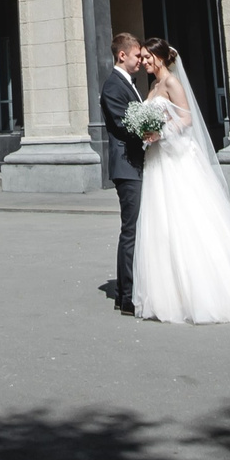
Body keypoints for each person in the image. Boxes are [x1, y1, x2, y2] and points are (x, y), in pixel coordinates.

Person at [130, 37, 230, 325]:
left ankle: (206, 292)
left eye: (148, 57)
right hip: (158, 160)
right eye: (142, 57)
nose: (144, 62)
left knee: (187, 220)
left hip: (175, 158)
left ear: (161, 58)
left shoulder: (171, 84)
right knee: (161, 224)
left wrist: (161, 133)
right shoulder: (153, 86)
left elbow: (187, 119)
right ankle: (169, 295)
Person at [100, 32, 151, 314]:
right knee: (130, 230)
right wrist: (151, 132)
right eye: (136, 56)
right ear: (123, 55)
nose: (139, 61)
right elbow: (122, 124)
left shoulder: (128, 84)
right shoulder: (113, 85)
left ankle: (126, 292)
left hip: (135, 163)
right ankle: (127, 297)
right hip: (126, 166)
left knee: (137, 229)